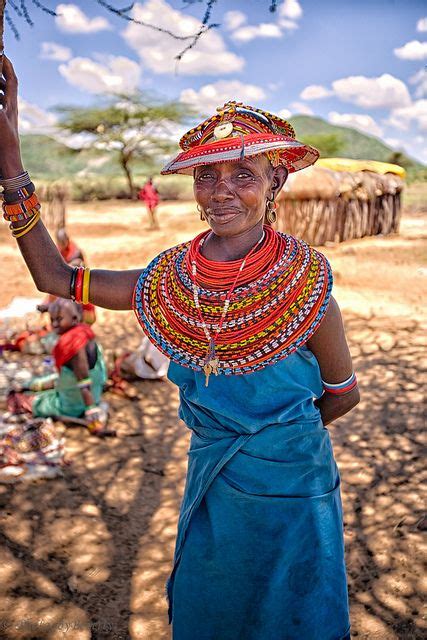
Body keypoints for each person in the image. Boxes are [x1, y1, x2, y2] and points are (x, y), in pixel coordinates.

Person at [1, 56, 359, 639]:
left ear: (277, 181)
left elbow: (343, 395)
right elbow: (57, 280)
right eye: (206, 175)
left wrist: (275, 439)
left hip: (294, 488)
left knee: (297, 614)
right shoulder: (168, 280)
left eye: (244, 173)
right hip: (213, 480)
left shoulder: (305, 284)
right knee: (213, 607)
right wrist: (11, 164)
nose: (221, 191)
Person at [6, 298, 111, 437]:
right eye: (52, 319)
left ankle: (71, 415)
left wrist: (93, 420)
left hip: (73, 405)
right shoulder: (85, 333)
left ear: (74, 318)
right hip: (89, 393)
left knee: (16, 398)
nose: (54, 324)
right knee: (33, 384)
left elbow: (84, 384)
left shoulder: (74, 346)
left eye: (59, 319)